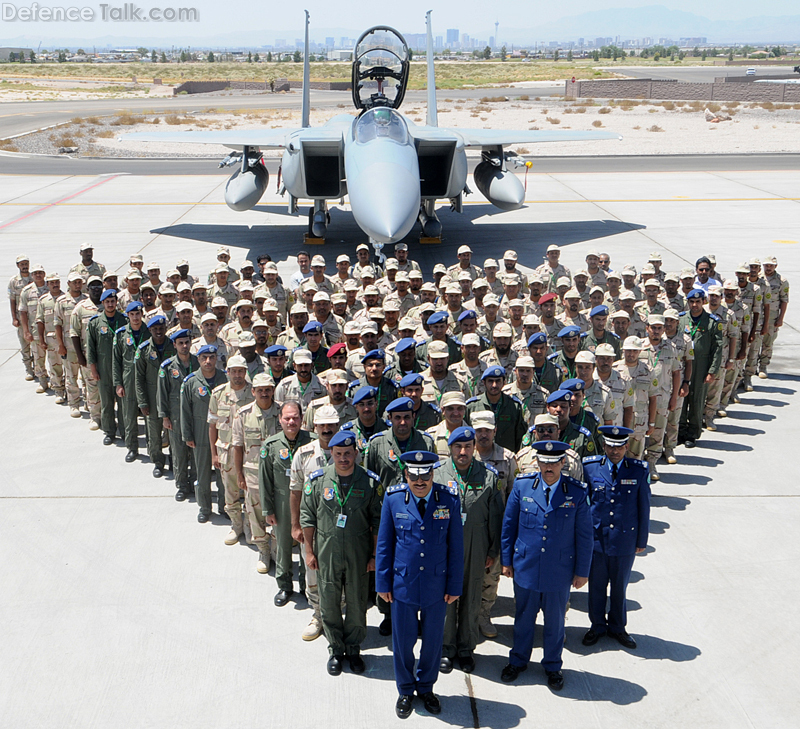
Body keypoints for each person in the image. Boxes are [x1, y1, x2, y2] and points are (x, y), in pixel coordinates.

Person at [376, 450, 464, 719]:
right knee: (403, 640)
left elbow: (456, 547)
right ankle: (405, 690)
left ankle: (426, 687)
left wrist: (454, 585)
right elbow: (384, 545)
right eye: (413, 474)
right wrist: (382, 582)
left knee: (433, 641)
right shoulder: (393, 500)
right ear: (406, 474)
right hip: (403, 583)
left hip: (437, 585)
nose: (419, 480)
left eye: (424, 474)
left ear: (432, 473)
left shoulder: (448, 499)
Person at [500, 440, 592, 690]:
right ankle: (518, 661)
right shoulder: (522, 487)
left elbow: (585, 536)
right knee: (523, 619)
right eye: (544, 461)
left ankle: (552, 666)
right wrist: (506, 561)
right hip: (526, 567)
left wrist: (582, 572)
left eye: (554, 462)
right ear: (537, 462)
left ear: (564, 463)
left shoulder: (577, 492)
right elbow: (509, 526)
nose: (549, 466)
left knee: (555, 623)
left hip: (559, 571)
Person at [300, 429, 382, 676]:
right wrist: (309, 552)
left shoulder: (369, 482)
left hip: (358, 552)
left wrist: (375, 555)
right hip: (327, 551)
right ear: (331, 454)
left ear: (356, 453)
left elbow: (378, 522)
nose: (344, 458)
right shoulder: (318, 481)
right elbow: (307, 517)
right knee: (329, 600)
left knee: (357, 602)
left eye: (348, 453)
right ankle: (336, 649)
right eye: (338, 454)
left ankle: (354, 649)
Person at [435, 426, 503, 673]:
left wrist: (493, 551)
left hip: (476, 547)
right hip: (445, 548)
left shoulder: (488, 476)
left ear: (474, 448)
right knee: (446, 598)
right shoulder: (437, 475)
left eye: (467, 446)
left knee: (472, 598)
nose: (463, 451)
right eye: (457, 447)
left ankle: (465, 649)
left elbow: (496, 517)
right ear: (450, 448)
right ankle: (445, 648)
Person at [582, 426, 650, 650]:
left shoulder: (638, 470)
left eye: (619, 446)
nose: (614, 451)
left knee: (620, 587)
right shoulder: (591, 468)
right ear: (604, 446)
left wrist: (641, 541)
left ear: (626, 447)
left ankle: (618, 627)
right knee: (597, 587)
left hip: (624, 540)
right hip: (597, 540)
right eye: (610, 446)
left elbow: (644, 508)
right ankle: (597, 626)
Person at [291, 405, 341, 640]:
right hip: (313, 527)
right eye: (323, 425)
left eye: (331, 424)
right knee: (313, 572)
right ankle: (318, 615)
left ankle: (339, 614)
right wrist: (295, 525)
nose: (327, 429)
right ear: (315, 427)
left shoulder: (349, 451)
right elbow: (295, 491)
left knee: (341, 573)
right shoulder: (303, 455)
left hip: (341, 529)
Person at [260, 401, 314, 607]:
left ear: (302, 419)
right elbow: (265, 480)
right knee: (283, 546)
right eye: (287, 418)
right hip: (282, 503)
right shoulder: (270, 445)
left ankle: (305, 585)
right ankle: (284, 586)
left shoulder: (313, 442)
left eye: (295, 417)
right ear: (280, 420)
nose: (291, 421)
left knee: (307, 543)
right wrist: (268, 510)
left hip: (308, 502)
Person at [232, 372, 280, 573]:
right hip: (252, 474)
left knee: (279, 513)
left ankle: (277, 550)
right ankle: (263, 549)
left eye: (268, 390)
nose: (264, 393)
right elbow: (237, 446)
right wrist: (239, 475)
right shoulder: (243, 414)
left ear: (273, 390)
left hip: (278, 474)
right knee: (255, 513)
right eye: (260, 390)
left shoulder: (283, 412)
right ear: (253, 392)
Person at [208, 355, 254, 546]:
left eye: (240, 371)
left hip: (249, 453)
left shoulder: (253, 394)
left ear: (245, 372)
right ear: (227, 372)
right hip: (226, 453)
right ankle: (236, 526)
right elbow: (212, 426)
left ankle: (250, 528)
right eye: (233, 371)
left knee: (252, 494)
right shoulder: (218, 395)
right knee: (230, 492)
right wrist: (213, 454)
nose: (237, 375)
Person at [181, 344, 227, 523]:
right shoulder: (191, 382)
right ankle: (205, 507)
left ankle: (224, 506)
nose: (208, 361)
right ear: (198, 359)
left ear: (216, 358)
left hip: (222, 432)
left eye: (212, 357)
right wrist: (187, 435)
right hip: (200, 433)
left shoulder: (224, 379)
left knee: (222, 472)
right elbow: (184, 410)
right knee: (202, 473)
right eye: (204, 358)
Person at [678, 290, 723, 448]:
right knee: (681, 399)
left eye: (698, 302)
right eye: (691, 302)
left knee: (697, 401)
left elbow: (717, 349)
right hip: (683, 365)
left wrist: (712, 371)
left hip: (701, 366)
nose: (695, 305)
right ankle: (680, 431)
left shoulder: (712, 321)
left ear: (703, 301)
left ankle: (693, 433)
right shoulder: (681, 319)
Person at [158, 329, 199, 500]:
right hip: (175, 416)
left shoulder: (198, 363)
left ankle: (196, 482)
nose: (184, 346)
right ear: (174, 345)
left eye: (187, 342)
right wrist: (165, 417)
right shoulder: (167, 367)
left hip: (196, 415)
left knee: (196, 451)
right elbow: (161, 393)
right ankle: (182, 485)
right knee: (179, 452)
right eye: (180, 343)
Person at [135, 314, 175, 475]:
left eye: (161, 328)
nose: (159, 331)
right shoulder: (143, 349)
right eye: (155, 329)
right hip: (152, 397)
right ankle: (158, 462)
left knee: (173, 432)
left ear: (166, 329)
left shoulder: (172, 346)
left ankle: (175, 460)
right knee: (154, 433)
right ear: (150, 330)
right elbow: (138, 378)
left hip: (171, 397)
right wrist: (142, 402)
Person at [87, 289, 126, 445]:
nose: (110, 304)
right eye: (107, 302)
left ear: (116, 302)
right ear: (102, 303)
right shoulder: (95, 322)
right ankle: (109, 431)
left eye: (113, 301)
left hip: (121, 369)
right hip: (103, 369)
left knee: (123, 403)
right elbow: (91, 347)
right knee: (107, 402)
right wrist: (93, 369)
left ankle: (125, 431)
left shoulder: (124, 320)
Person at [112, 302, 150, 462]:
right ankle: (132, 448)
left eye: (138, 314)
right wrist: (118, 384)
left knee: (149, 414)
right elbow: (116, 361)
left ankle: (152, 447)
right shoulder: (121, 334)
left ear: (142, 314)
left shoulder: (148, 332)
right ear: (127, 315)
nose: (135, 317)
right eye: (132, 314)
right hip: (128, 379)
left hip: (146, 379)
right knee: (129, 415)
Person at [465, 366, 526, 452]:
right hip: (478, 457)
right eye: (490, 381)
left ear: (504, 382)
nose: (494, 385)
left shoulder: (514, 406)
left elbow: (520, 437)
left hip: (505, 458)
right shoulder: (472, 406)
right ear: (484, 382)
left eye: (498, 381)